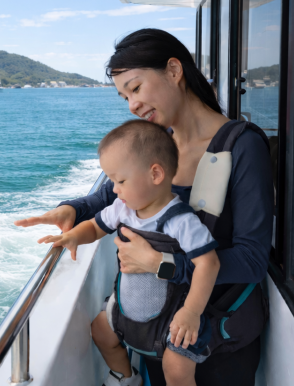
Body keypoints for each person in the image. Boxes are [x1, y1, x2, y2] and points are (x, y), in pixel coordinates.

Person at [16, 28, 273, 386]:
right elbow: (104, 198)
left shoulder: (243, 147)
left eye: (136, 88)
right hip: (153, 328)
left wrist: (161, 264)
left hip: (214, 338)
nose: (133, 105)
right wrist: (70, 210)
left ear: (173, 70)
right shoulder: (155, 145)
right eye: (125, 98)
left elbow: (253, 259)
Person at [37, 120, 220, 386]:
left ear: (155, 175)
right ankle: (126, 378)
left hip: (173, 314)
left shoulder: (181, 221)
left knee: (176, 367)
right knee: (100, 330)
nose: (113, 189)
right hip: (126, 308)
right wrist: (75, 236)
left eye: (120, 180)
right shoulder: (122, 209)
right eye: (112, 180)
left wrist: (191, 312)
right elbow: (95, 226)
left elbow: (208, 265)